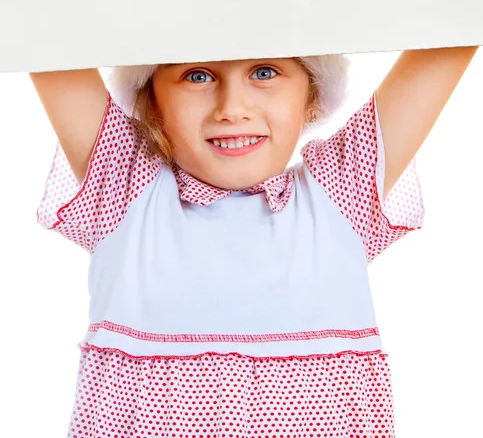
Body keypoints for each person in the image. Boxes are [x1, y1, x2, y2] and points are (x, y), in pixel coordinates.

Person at [30, 46, 478, 437]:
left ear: (311, 94)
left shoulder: (341, 191)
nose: (232, 107)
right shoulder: (125, 188)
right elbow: (44, 22)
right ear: (151, 101)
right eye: (197, 75)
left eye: (265, 72)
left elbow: (451, 22)